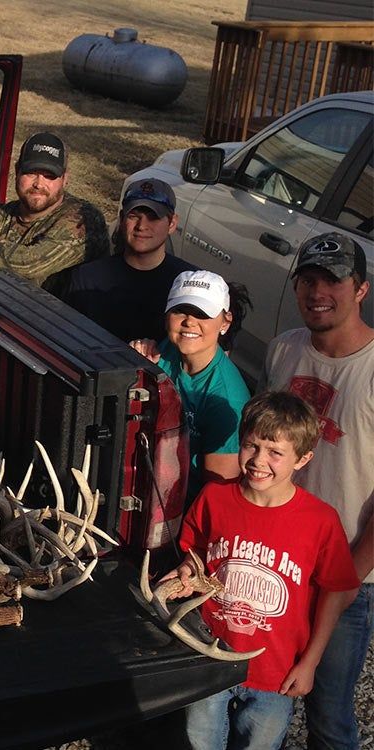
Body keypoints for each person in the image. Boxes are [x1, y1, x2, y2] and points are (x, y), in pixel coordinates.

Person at [159, 391, 359, 750]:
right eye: (251, 446)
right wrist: (187, 571)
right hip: (209, 653)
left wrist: (310, 662)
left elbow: (338, 589)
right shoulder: (214, 498)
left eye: (275, 452)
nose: (258, 460)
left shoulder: (320, 521)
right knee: (198, 739)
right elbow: (196, 551)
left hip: (276, 671)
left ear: (303, 458)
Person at [260, 232, 374, 750]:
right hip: (277, 561)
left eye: (332, 280)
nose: (318, 291)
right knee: (263, 699)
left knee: (329, 717)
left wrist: (350, 573)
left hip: (344, 571)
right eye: (308, 279)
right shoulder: (284, 348)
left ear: (361, 289)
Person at [130, 270, 252, 504]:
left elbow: (217, 493)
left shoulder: (228, 401)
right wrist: (132, 361)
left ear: (225, 322)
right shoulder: (160, 352)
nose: (189, 322)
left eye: (202, 314)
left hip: (176, 509)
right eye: (180, 311)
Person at [0, 132, 110, 286]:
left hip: (61, 321)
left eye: (49, 176)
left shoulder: (83, 220)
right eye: (31, 172)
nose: (39, 184)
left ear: (65, 179)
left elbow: (29, 263)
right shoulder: (4, 213)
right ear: (17, 171)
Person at [48, 177, 198, 343]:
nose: (142, 225)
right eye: (134, 216)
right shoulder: (85, 278)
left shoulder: (189, 286)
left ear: (171, 223)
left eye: (153, 217)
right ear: (121, 219)